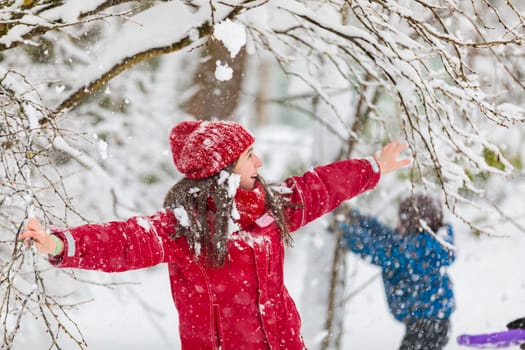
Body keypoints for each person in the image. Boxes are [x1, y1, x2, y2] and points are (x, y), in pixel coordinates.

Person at [20, 120, 410, 349]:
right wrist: (60, 243)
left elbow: (320, 187)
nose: (259, 161)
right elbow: (126, 240)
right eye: (248, 156)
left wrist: (372, 167)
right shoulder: (185, 227)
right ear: (223, 171)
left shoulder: (271, 207)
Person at [333, 193, 455, 350]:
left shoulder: (407, 251)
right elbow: (384, 235)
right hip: (435, 323)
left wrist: (346, 232)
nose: (397, 225)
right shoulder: (424, 244)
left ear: (412, 225)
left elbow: (373, 249)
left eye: (401, 221)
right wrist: (358, 219)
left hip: (425, 327)